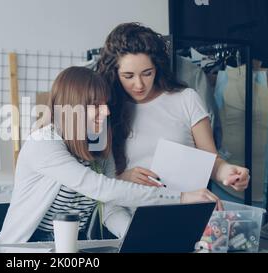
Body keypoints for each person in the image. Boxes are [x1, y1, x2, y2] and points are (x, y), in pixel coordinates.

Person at [0, 66, 219, 244]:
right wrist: (181, 197)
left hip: (75, 244)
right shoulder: (43, 143)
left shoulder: (99, 144)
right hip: (27, 246)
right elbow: (103, 189)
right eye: (95, 105)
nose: (106, 111)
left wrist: (138, 239)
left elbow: (110, 206)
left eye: (105, 104)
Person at [97, 22, 250, 238]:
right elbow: (101, 184)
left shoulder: (186, 99)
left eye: (147, 73)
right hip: (130, 220)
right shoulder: (105, 111)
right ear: (114, 73)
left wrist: (229, 174)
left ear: (157, 67)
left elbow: (211, 161)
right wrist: (124, 176)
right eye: (128, 76)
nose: (139, 84)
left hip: (186, 219)